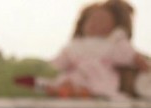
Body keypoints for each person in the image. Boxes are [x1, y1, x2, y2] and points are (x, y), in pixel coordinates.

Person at [18, 0, 149, 99]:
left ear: (113, 27)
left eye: (102, 21)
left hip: (98, 77)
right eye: (92, 20)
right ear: (82, 24)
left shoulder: (112, 45)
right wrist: (48, 69)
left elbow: (130, 56)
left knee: (96, 88)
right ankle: (54, 88)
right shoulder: (74, 46)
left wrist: (144, 66)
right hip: (76, 75)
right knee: (64, 80)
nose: (96, 24)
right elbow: (58, 63)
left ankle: (79, 92)